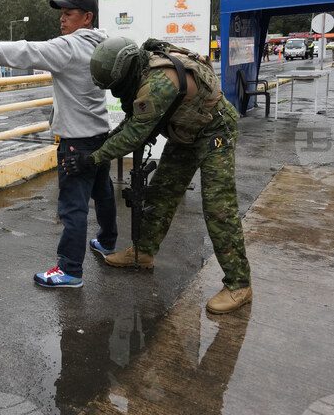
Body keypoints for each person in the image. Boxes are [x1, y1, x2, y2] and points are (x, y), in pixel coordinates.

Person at [62, 37, 253, 314]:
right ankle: (144, 251)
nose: (116, 92)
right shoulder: (142, 73)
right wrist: (100, 151)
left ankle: (239, 284)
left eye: (115, 86)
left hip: (215, 133)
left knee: (218, 207)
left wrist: (92, 158)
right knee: (161, 192)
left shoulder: (158, 83)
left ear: (125, 71)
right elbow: (132, 123)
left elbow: (133, 135)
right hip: (185, 134)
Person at [0, 0, 118, 289]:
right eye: (61, 13)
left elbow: (27, 51)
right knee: (103, 193)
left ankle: (70, 270)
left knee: (72, 208)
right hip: (100, 135)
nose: (62, 18)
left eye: (69, 13)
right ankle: (107, 241)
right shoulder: (103, 43)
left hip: (76, 141)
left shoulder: (69, 47)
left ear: (87, 17)